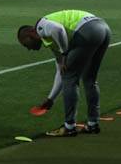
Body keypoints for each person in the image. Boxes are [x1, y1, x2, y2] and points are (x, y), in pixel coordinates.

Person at [17, 9, 112, 137]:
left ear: (31, 32)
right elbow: (61, 71)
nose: (28, 48)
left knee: (71, 79)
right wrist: (51, 98)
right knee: (89, 79)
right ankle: (92, 124)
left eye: (25, 43)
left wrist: (64, 53)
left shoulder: (41, 26)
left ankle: (69, 127)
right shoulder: (52, 41)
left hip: (86, 31)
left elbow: (58, 29)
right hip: (103, 28)